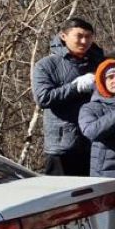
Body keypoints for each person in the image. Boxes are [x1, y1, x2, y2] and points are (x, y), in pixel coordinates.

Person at [31, 17, 103, 176]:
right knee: (61, 197)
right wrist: (75, 87)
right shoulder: (46, 65)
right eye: (79, 36)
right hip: (62, 146)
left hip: (95, 142)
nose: (84, 41)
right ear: (63, 36)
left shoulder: (99, 63)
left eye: (88, 37)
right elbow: (43, 98)